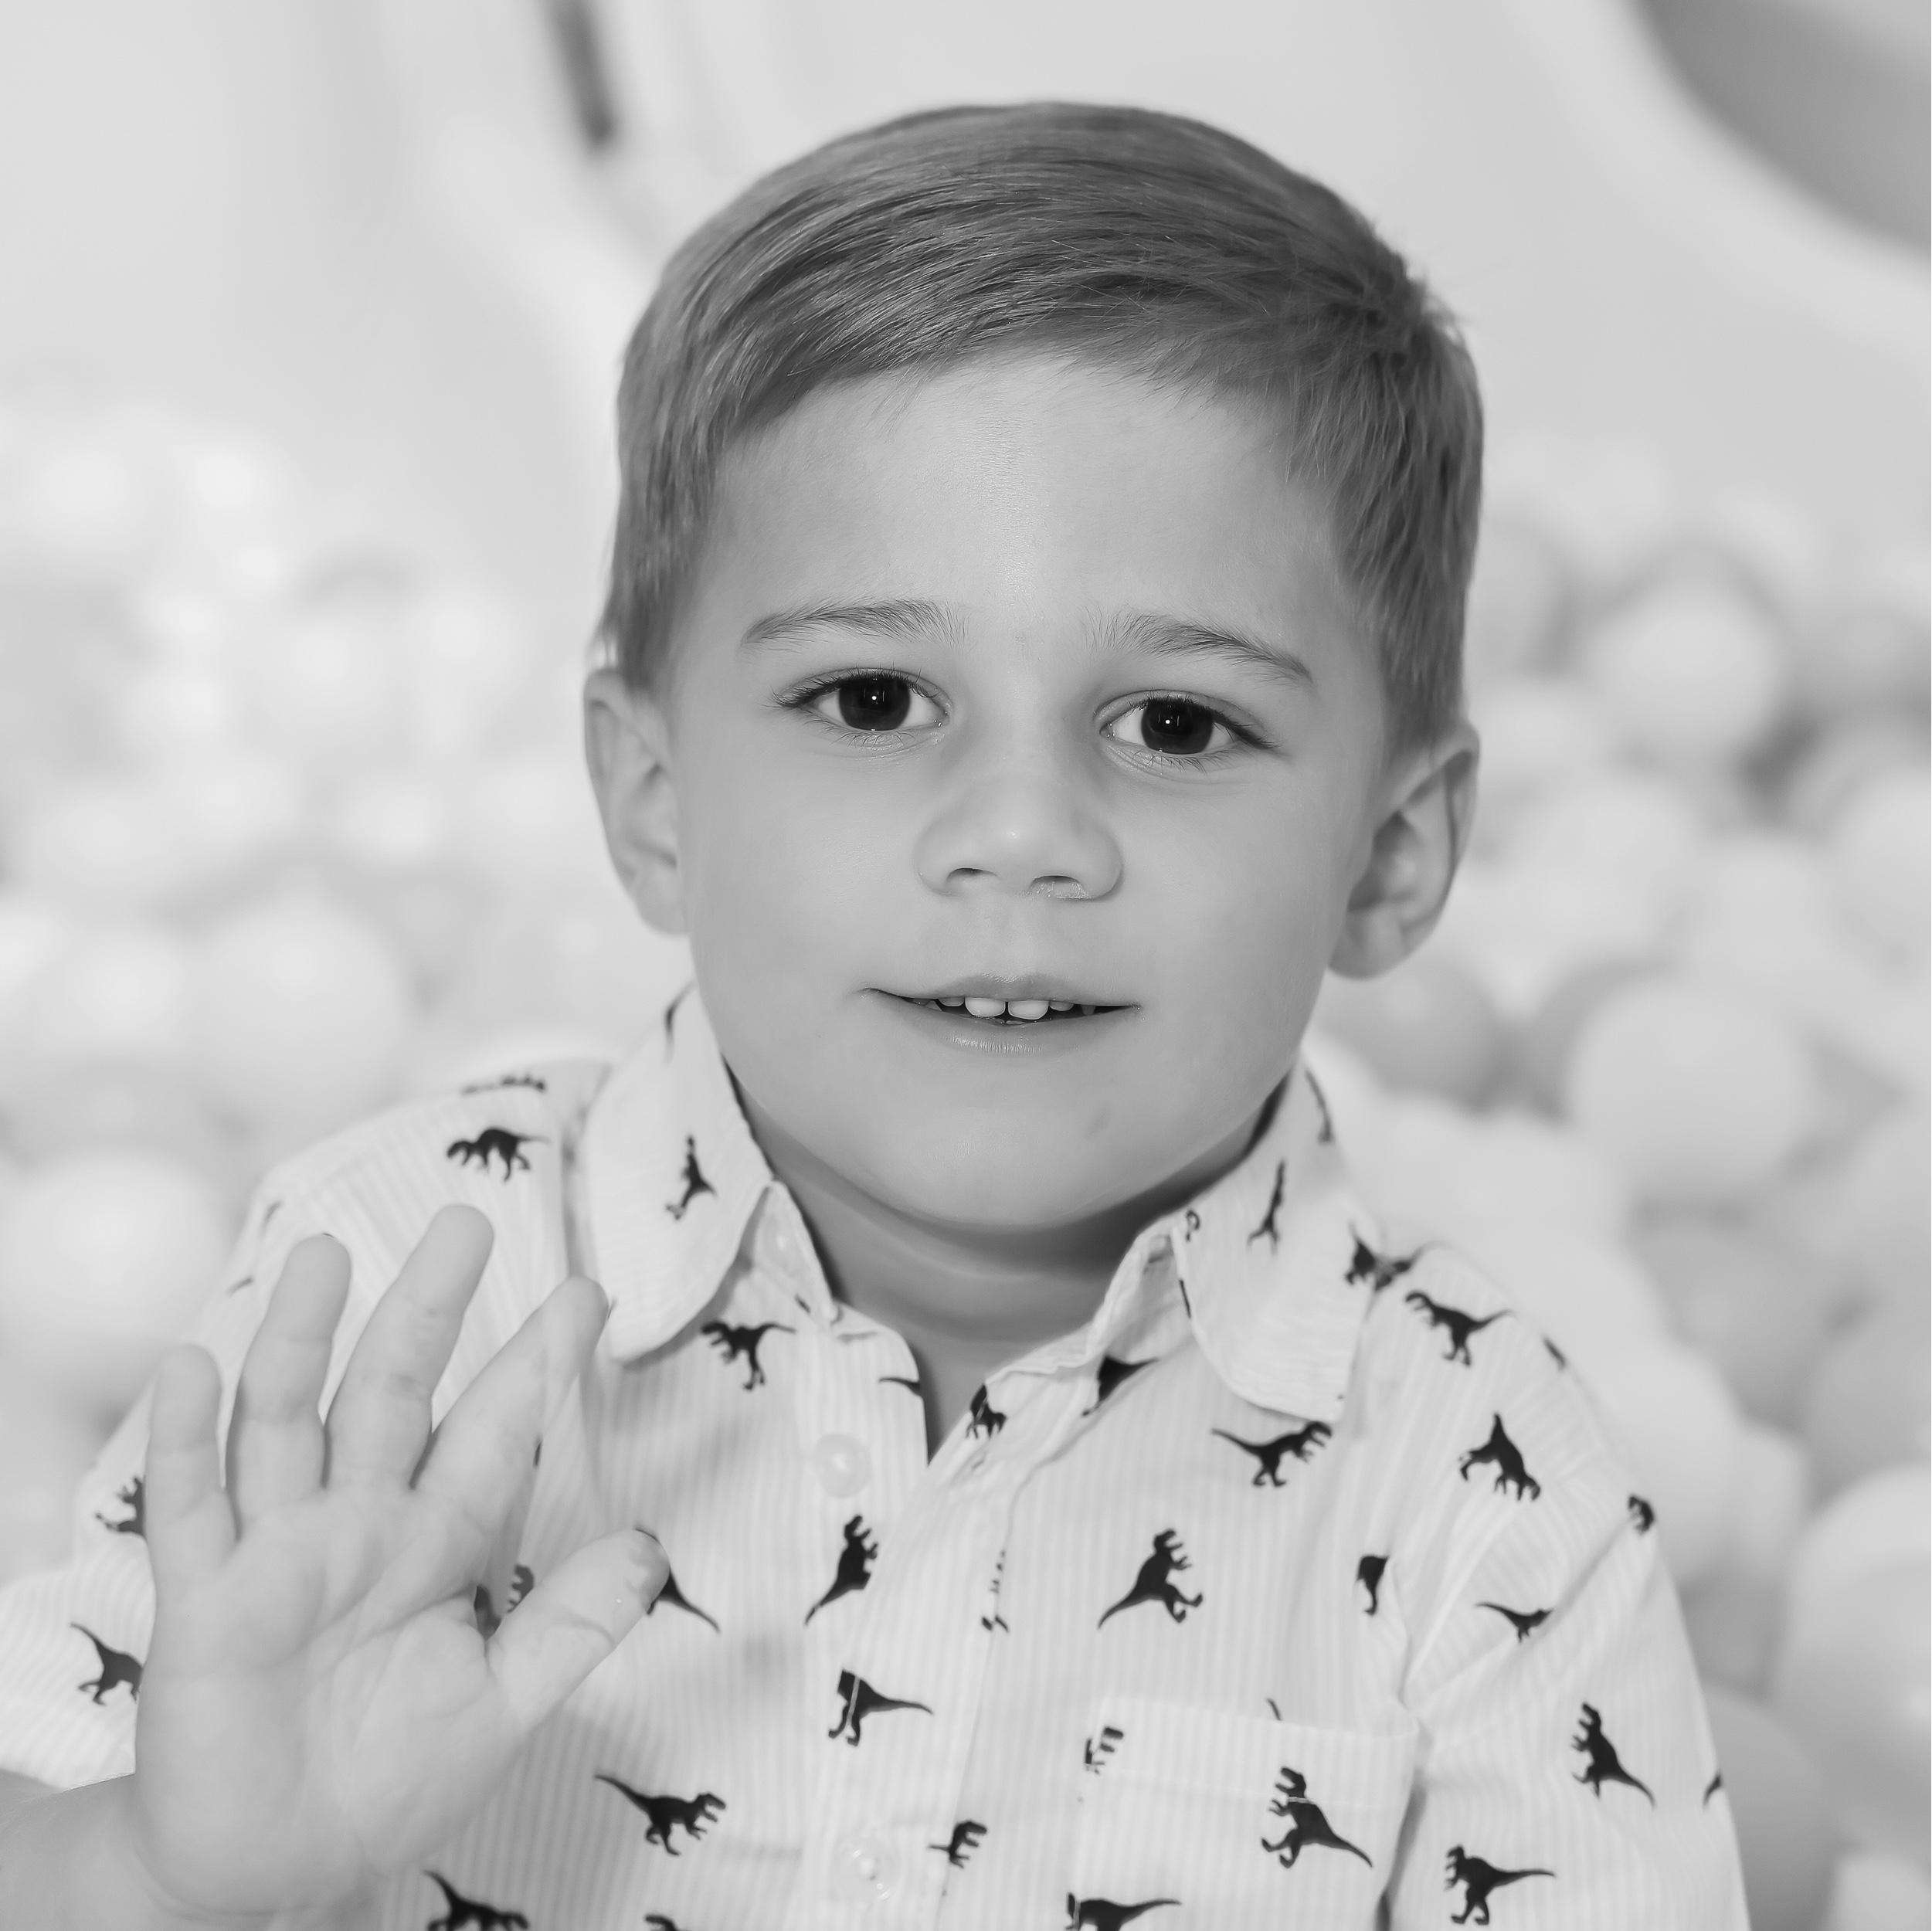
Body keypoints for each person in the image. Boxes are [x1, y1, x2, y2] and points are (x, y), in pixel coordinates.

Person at [0, 102, 1747, 1927]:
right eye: (871, 699)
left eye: (1175, 724)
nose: (1019, 831)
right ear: (651, 794)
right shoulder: (400, 1285)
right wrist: (158, 1869)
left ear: (1390, 855)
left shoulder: (1476, 1478)